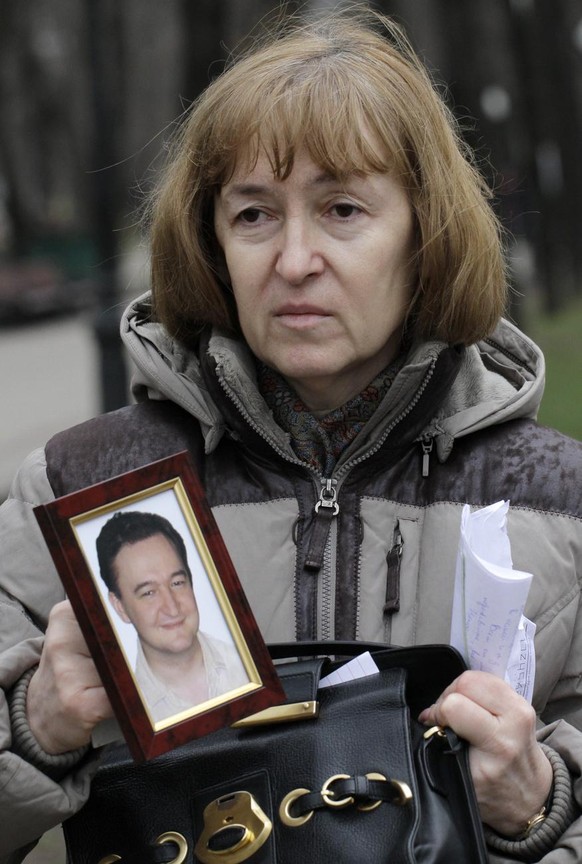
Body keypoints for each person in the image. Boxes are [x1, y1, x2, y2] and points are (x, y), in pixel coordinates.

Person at [1, 6, 581, 862]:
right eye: (254, 216)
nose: (295, 258)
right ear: (212, 240)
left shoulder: (561, 505)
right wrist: (35, 728)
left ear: (426, 234)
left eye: (342, 209)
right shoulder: (81, 485)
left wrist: (539, 804)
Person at [96, 510, 248, 722]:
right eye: (148, 592)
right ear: (119, 606)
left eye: (177, 583)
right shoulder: (121, 713)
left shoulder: (247, 668)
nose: (172, 607)